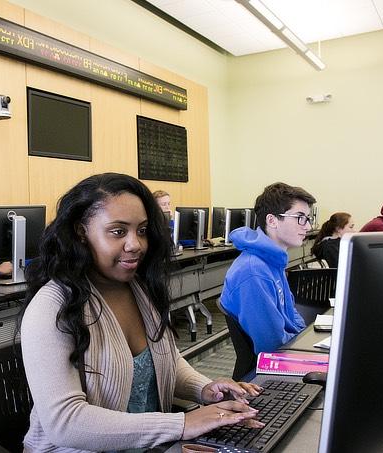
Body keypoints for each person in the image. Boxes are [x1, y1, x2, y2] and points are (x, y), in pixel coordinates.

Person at [20, 173, 262, 451]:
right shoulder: (52, 307)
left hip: (150, 445)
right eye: (118, 231)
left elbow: (160, 362)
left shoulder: (138, 288)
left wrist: (205, 389)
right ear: (81, 232)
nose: (136, 244)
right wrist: (183, 423)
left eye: (142, 230)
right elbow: (66, 423)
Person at [219, 182, 316, 355]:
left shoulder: (273, 260)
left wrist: (304, 337)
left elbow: (290, 312)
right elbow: (272, 345)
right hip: (273, 364)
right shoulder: (253, 272)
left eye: (308, 218)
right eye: (300, 217)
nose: (308, 226)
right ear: (272, 220)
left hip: (287, 349)